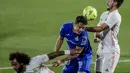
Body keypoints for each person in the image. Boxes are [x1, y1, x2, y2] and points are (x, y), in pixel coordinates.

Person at [85, 0, 124, 73]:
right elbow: (98, 29)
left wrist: (84, 28)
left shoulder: (115, 16)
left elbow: (101, 28)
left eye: (110, 0)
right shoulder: (104, 14)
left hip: (110, 51)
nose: (107, 1)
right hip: (101, 49)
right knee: (98, 71)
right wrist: (96, 37)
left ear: (115, 3)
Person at [9, 50, 78, 73]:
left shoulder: (34, 61)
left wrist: (69, 51)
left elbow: (52, 55)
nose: (14, 67)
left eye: (15, 64)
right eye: (12, 65)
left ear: (22, 63)